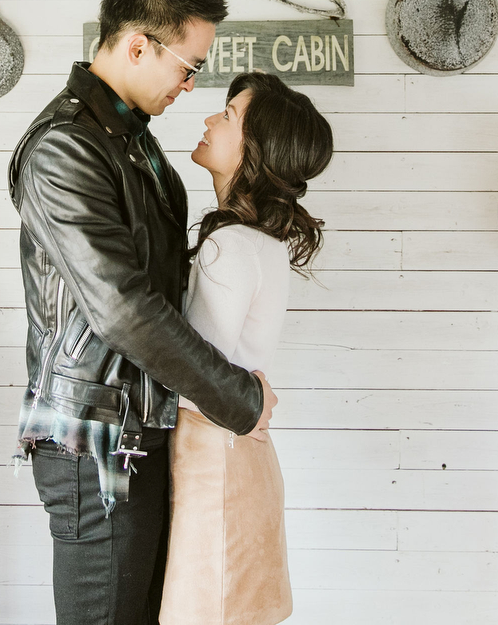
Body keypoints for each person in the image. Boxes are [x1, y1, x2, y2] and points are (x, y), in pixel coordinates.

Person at [11, 0, 279, 625]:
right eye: (189, 67)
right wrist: (241, 400)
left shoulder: (133, 142)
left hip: (138, 428)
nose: (190, 87)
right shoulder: (64, 148)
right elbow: (123, 308)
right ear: (138, 45)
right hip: (93, 440)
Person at [160, 71, 331, 625]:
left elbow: (193, 379)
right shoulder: (261, 242)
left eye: (228, 115)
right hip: (240, 461)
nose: (211, 119)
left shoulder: (229, 245)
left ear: (254, 153)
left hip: (217, 467)